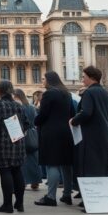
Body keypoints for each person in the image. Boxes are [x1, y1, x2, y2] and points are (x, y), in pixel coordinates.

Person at [70, 66, 108, 194]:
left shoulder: (89, 92)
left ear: (91, 77)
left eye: (84, 76)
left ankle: (90, 195)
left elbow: (86, 112)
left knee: (90, 166)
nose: (82, 79)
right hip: (103, 133)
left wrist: (74, 120)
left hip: (90, 134)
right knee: (103, 165)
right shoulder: (105, 93)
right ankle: (104, 193)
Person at [34, 71, 75, 207]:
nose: (42, 81)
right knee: (66, 163)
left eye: (43, 79)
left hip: (51, 132)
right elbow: (72, 113)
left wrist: (36, 121)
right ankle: (67, 194)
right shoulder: (67, 94)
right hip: (66, 131)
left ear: (50, 80)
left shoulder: (49, 94)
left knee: (52, 163)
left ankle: (51, 197)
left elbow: (43, 114)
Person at [0, 80, 27, 213]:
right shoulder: (18, 105)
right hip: (18, 143)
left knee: (5, 172)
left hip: (2, 144)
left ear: (0, 90)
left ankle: (7, 204)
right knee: (17, 171)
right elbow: (27, 123)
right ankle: (20, 203)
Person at [14, 88, 42, 191]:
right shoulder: (31, 107)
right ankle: (35, 181)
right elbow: (36, 120)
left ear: (16, 96)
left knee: (22, 160)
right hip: (32, 134)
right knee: (34, 159)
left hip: (20, 133)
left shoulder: (17, 107)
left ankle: (24, 181)